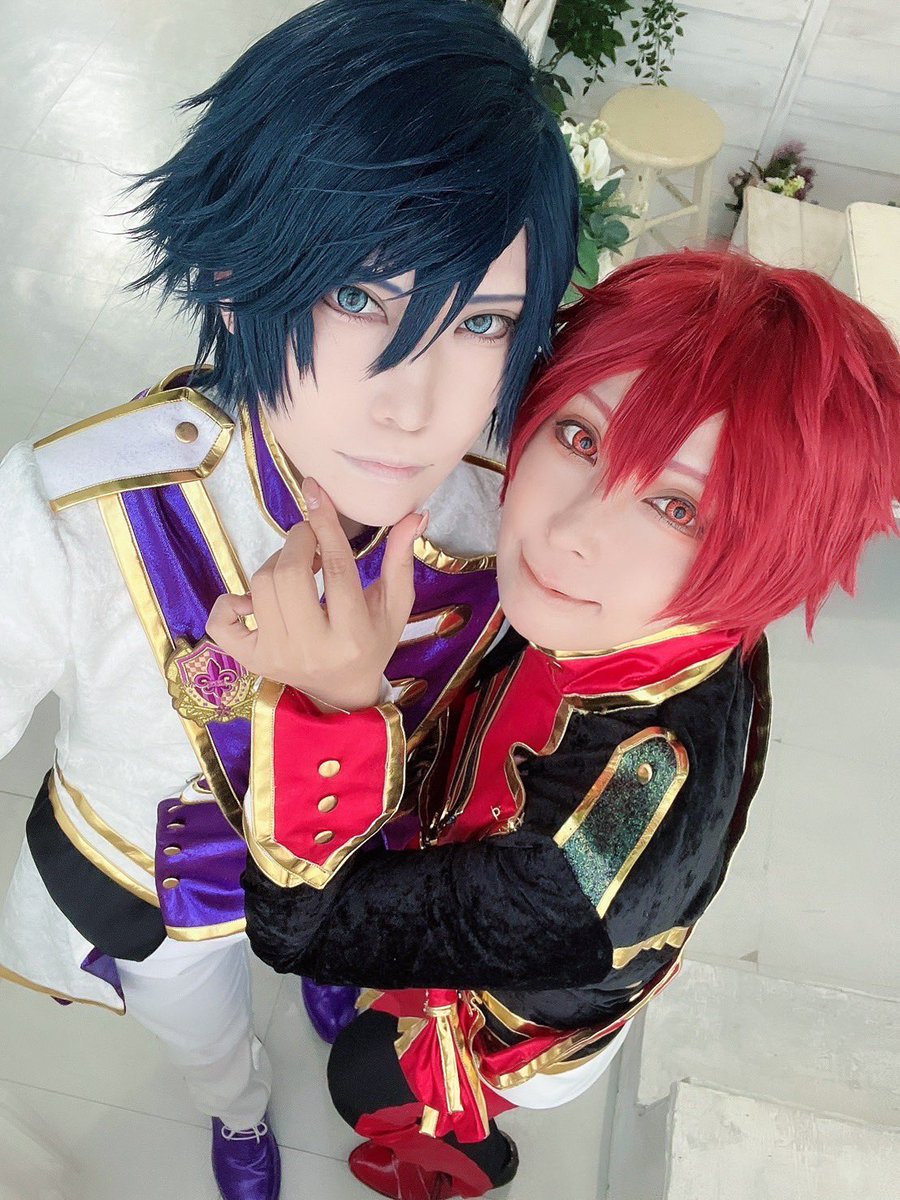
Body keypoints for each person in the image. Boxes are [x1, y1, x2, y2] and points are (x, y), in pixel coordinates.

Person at [0, 3, 578, 1198]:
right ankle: (242, 1114)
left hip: (373, 864)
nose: (412, 405)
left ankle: (326, 967)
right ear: (230, 277)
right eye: (360, 298)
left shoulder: (499, 511)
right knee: (207, 1040)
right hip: (169, 886)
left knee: (343, 950)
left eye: (480, 321)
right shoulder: (70, 515)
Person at [211, 250, 900, 1199]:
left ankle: (467, 1162)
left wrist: (332, 704)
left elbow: (297, 930)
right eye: (580, 436)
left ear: (774, 551)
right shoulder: (673, 623)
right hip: (489, 902)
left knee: (365, 1080)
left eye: (677, 506)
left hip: (517, 1013)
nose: (573, 529)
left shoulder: (604, 850)